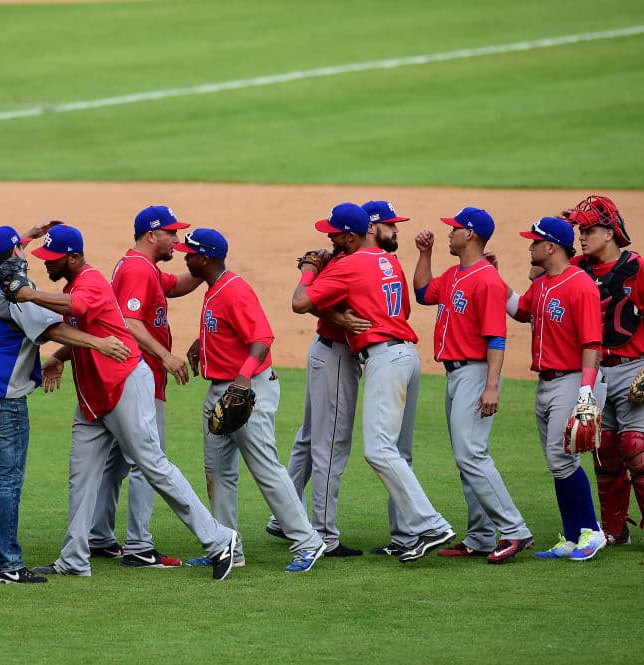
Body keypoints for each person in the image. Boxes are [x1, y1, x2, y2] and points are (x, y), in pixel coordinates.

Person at [8, 224, 238, 580]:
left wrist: (28, 294)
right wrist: (58, 356)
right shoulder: (73, 283)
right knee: (81, 477)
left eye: (53, 260)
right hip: (92, 398)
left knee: (153, 465)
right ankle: (73, 559)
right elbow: (86, 331)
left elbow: (78, 306)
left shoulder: (92, 281)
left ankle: (219, 538)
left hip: (124, 385)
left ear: (73, 257)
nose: (46, 266)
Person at [0, 224, 132, 584]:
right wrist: (98, 343)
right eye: (21, 250)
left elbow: (7, 252)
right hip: (3, 401)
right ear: (15, 256)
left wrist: (30, 234)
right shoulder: (18, 297)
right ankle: (7, 565)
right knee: (7, 483)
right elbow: (53, 330)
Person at [293, 203, 455, 563]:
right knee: (397, 451)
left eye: (335, 235)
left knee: (378, 450)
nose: (330, 240)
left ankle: (430, 524)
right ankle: (410, 534)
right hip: (407, 356)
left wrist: (308, 270)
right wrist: (339, 313)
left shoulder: (349, 264)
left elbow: (299, 301)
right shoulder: (388, 260)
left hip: (384, 358)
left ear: (351, 236)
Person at [177, 227, 328, 572]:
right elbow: (227, 331)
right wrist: (202, 344)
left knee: (266, 469)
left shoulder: (235, 290)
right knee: (218, 471)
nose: (185, 257)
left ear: (205, 258)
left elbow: (261, 338)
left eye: (190, 253)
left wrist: (243, 379)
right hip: (221, 389)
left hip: (246, 389)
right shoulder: (214, 289)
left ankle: (308, 542)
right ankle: (226, 545)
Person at [412, 207, 534, 563]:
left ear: (471, 235)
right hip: (454, 374)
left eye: (454, 230)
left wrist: (491, 386)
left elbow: (497, 338)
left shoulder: (487, 281)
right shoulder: (454, 274)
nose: (448, 233)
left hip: (477, 372)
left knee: (472, 453)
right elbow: (422, 293)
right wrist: (425, 254)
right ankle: (480, 536)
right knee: (465, 457)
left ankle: (514, 530)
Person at [88, 205, 200, 568]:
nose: (177, 240)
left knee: (117, 463)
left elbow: (178, 285)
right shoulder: (138, 269)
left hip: (128, 377)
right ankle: (139, 545)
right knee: (147, 463)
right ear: (151, 235)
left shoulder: (142, 266)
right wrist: (165, 356)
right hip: (140, 377)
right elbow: (130, 321)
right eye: (171, 233)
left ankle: (100, 537)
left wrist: (208, 265)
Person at [564, 196, 644, 554]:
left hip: (633, 367)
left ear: (610, 233)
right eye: (579, 230)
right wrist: (559, 231)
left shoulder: (642, 270)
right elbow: (539, 272)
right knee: (604, 450)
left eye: (589, 230)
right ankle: (613, 531)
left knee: (634, 447)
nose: (582, 236)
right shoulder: (576, 269)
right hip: (595, 372)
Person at [503, 216, 607, 561]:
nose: (529, 246)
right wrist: (495, 280)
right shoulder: (544, 284)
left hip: (573, 380)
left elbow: (592, 343)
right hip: (546, 383)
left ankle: (591, 532)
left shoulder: (581, 286)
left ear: (551, 247)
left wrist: (585, 392)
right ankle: (572, 535)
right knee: (556, 460)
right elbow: (521, 310)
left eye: (534, 241)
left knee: (562, 458)